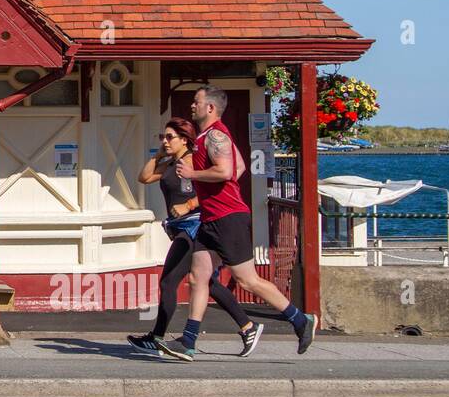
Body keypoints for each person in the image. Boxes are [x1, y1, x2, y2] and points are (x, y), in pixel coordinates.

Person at [159, 86, 317, 360]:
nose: (192, 106)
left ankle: (300, 320)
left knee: (247, 279)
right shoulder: (208, 137)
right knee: (198, 277)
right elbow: (241, 167)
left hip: (228, 217)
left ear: (210, 108)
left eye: (196, 102)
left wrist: (193, 172)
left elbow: (227, 171)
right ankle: (188, 341)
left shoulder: (216, 134)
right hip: (211, 219)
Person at [127, 118, 263, 359]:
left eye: (170, 137)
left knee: (169, 281)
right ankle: (247, 327)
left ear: (185, 140)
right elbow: (144, 177)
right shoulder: (171, 164)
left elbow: (214, 188)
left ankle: (156, 338)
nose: (165, 141)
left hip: (194, 226)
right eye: (163, 138)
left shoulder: (193, 162)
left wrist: (189, 203)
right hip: (180, 228)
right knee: (207, 283)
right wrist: (158, 155)